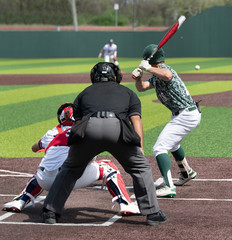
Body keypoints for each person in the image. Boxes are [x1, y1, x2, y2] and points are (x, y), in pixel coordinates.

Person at [41, 62, 166, 226]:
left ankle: (50, 212)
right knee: (140, 168)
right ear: (116, 77)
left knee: (70, 169)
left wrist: (79, 152)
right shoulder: (128, 92)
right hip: (117, 129)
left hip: (88, 129)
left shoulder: (84, 93)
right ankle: (152, 214)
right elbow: (136, 120)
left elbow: (78, 123)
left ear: (95, 77)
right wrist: (140, 146)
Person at [2, 102, 140, 216]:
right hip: (70, 177)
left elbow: (34, 148)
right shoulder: (86, 130)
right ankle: (126, 204)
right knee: (108, 167)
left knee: (41, 172)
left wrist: (44, 144)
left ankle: (19, 201)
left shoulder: (52, 132)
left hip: (45, 181)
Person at [131, 44, 201, 198]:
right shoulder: (157, 75)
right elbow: (142, 88)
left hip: (186, 114)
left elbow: (167, 75)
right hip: (184, 114)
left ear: (150, 59)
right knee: (173, 144)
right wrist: (139, 78)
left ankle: (169, 187)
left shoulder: (165, 70)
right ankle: (186, 172)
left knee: (159, 148)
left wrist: (148, 68)